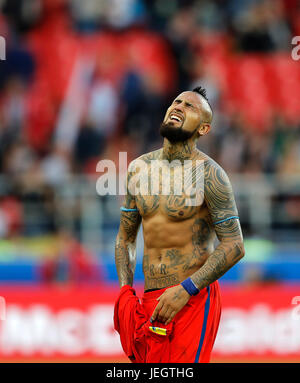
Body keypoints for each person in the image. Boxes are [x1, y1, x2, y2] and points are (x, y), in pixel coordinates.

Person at [113, 86, 245, 363]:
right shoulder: (138, 168)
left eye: (190, 106)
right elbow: (125, 237)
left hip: (192, 298)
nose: (179, 107)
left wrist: (187, 289)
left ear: (204, 129)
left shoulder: (211, 175)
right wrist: (126, 290)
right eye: (176, 101)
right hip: (149, 300)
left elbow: (234, 245)